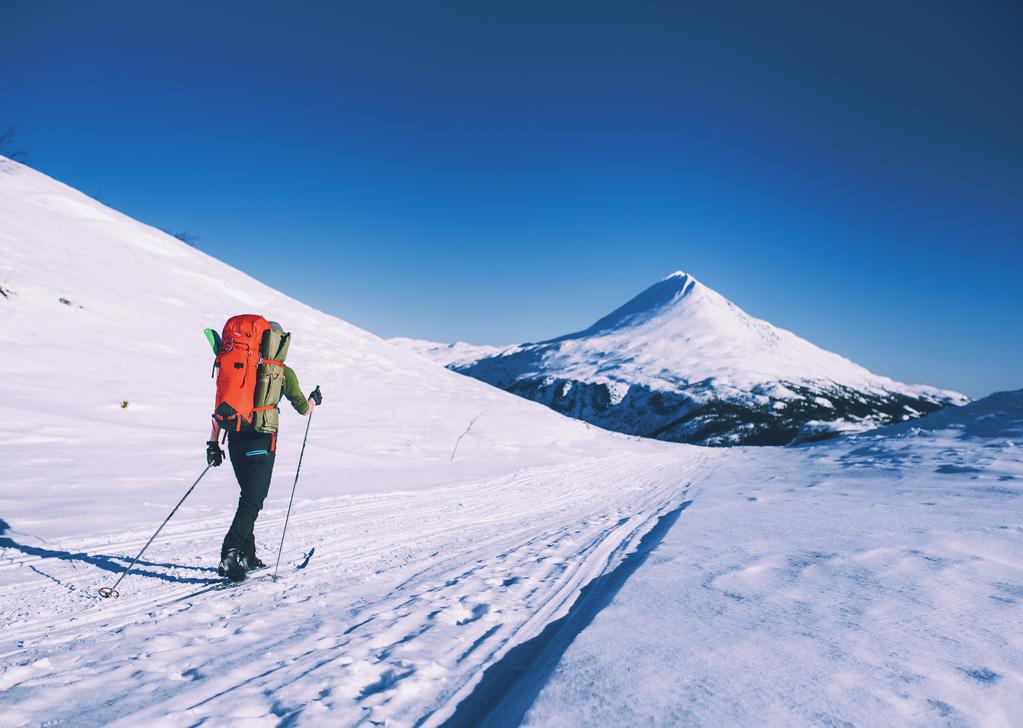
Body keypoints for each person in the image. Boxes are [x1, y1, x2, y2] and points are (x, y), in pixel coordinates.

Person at [205, 321, 322, 580]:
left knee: (247, 498)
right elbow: (304, 408)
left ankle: (248, 556)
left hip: (234, 438)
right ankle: (231, 551)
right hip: (261, 442)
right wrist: (314, 399)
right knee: (252, 500)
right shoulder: (281, 371)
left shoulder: (236, 365)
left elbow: (220, 407)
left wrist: (212, 444)